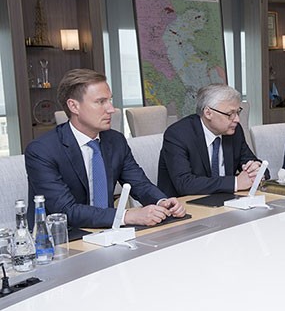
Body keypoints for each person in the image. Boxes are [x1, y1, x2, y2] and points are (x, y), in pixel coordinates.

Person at [25, 69, 185, 232]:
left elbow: (140, 184)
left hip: (109, 232)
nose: (111, 109)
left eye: (110, 100)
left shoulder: (115, 140)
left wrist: (162, 202)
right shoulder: (42, 151)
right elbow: (66, 210)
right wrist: (126, 216)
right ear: (74, 106)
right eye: (101, 102)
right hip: (62, 237)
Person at [158, 84, 265, 196]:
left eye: (238, 112)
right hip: (184, 203)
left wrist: (257, 170)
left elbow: (254, 163)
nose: (237, 119)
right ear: (208, 113)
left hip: (225, 200)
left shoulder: (234, 131)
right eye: (230, 114)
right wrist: (236, 182)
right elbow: (185, 184)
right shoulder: (178, 135)